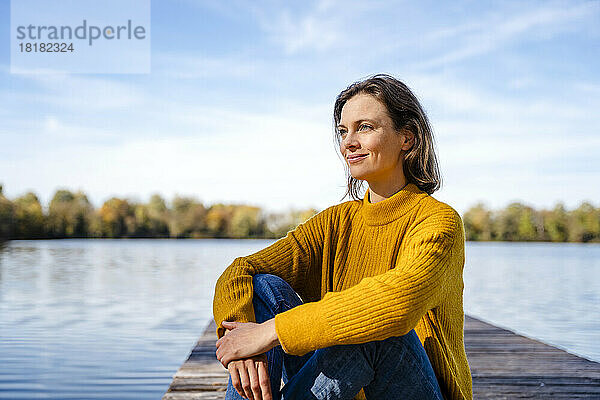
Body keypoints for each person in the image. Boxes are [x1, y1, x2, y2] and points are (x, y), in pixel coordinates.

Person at [213, 74, 473, 400]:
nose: (348, 141)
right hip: (342, 388)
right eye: (342, 130)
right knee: (264, 287)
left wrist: (270, 332)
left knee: (379, 328)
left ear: (406, 138)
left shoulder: (439, 222)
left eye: (364, 127)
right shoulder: (335, 222)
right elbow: (240, 270)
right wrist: (242, 342)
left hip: (410, 387)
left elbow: (397, 305)